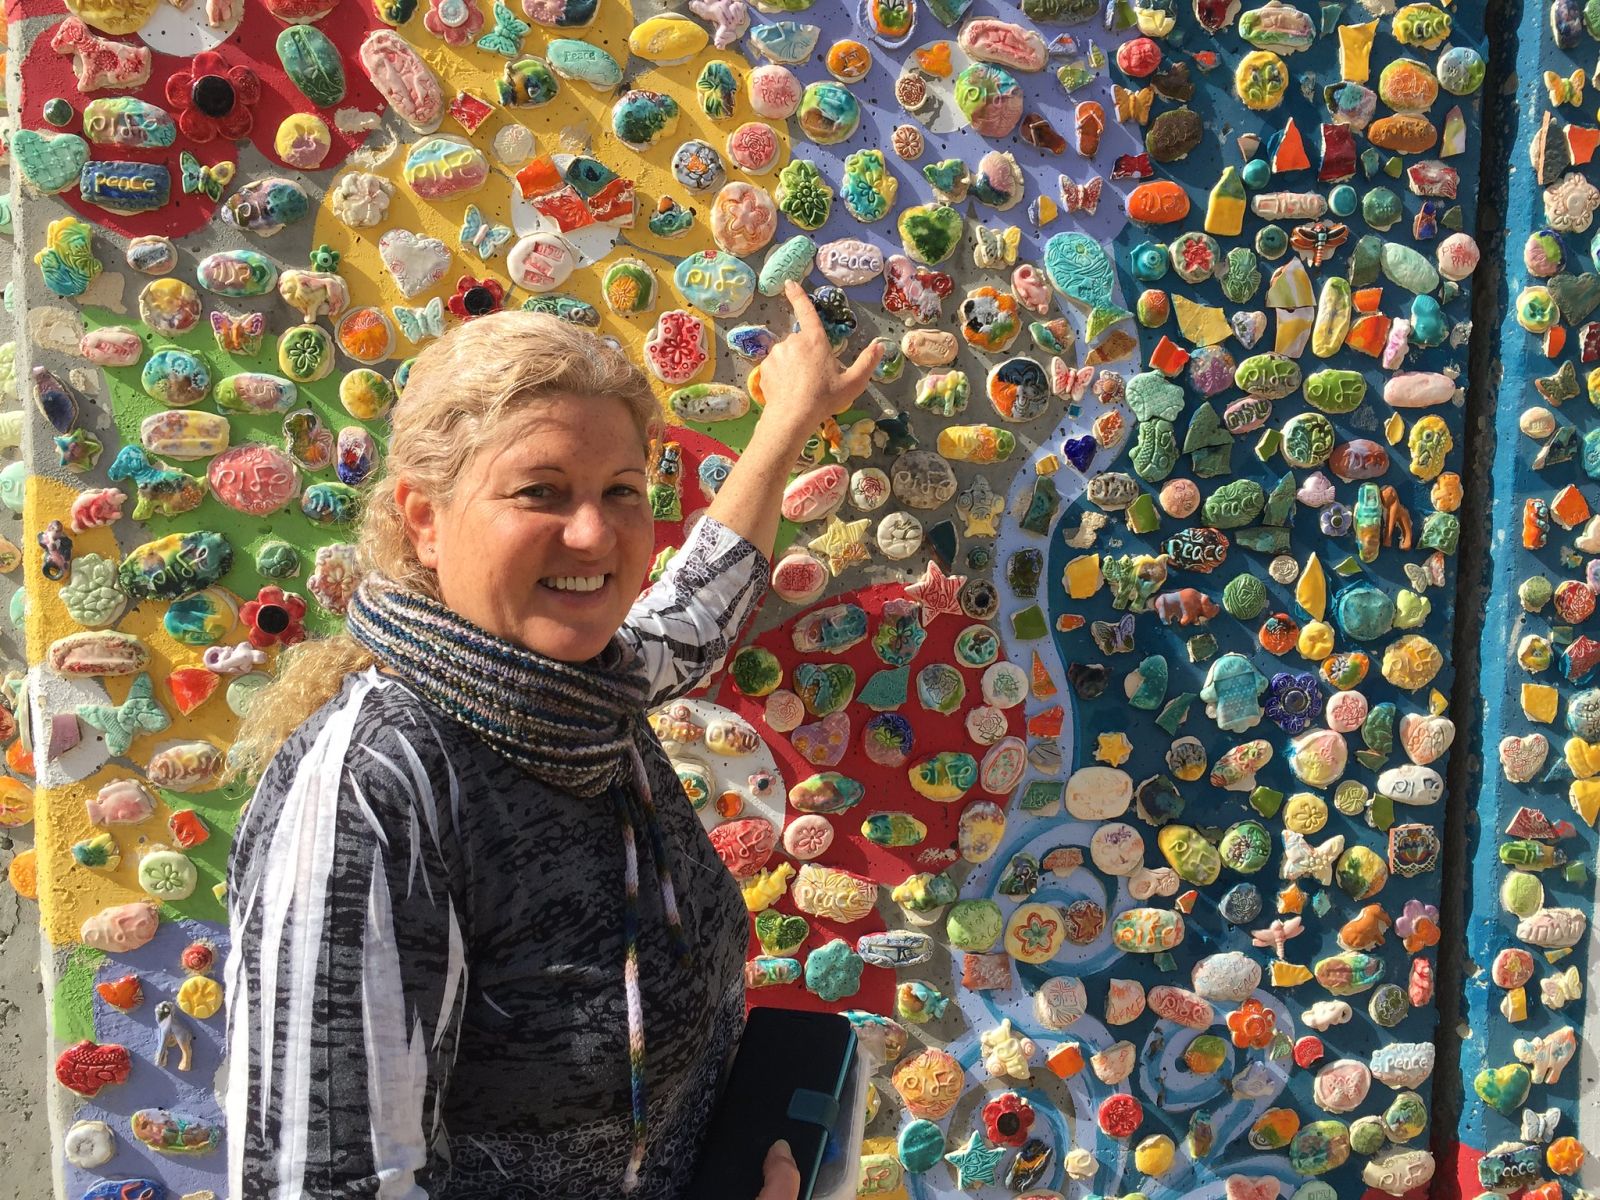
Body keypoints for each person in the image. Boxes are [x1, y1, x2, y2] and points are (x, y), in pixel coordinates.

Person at [223, 283, 880, 1200]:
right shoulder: (375, 792)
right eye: (541, 492)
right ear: (423, 517)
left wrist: (788, 419)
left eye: (621, 491)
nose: (593, 533)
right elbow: (329, 1186)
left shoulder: (580, 694)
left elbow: (689, 618)